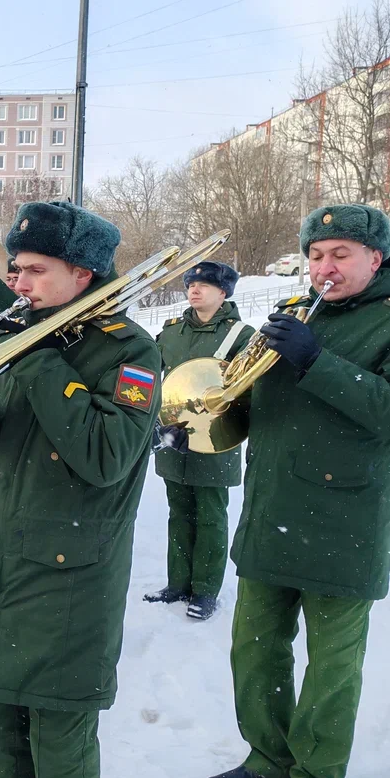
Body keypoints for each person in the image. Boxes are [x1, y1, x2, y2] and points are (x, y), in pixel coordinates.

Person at [202, 204, 390, 778]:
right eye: (315, 255)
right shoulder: (296, 317)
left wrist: (315, 361)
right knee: (255, 650)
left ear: (375, 259)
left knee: (331, 664)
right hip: (272, 511)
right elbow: (251, 408)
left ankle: (317, 777)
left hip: (345, 521)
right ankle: (267, 759)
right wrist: (199, 422)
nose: (323, 267)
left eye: (340, 255)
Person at [0, 201, 161, 778]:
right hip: (0, 581)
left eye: (35, 270)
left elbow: (105, 455)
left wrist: (36, 360)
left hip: (69, 592)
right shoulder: (21, 338)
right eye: (16, 268)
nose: (18, 281)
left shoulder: (132, 353)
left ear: (84, 276)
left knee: (60, 766)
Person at [146, 260, 254, 620]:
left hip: (215, 438)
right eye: (191, 283)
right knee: (178, 512)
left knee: (210, 515)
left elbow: (250, 393)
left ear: (223, 292)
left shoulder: (242, 336)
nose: (194, 289)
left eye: (205, 284)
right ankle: (178, 583)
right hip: (173, 437)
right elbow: (153, 377)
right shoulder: (172, 331)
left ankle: (206, 590)